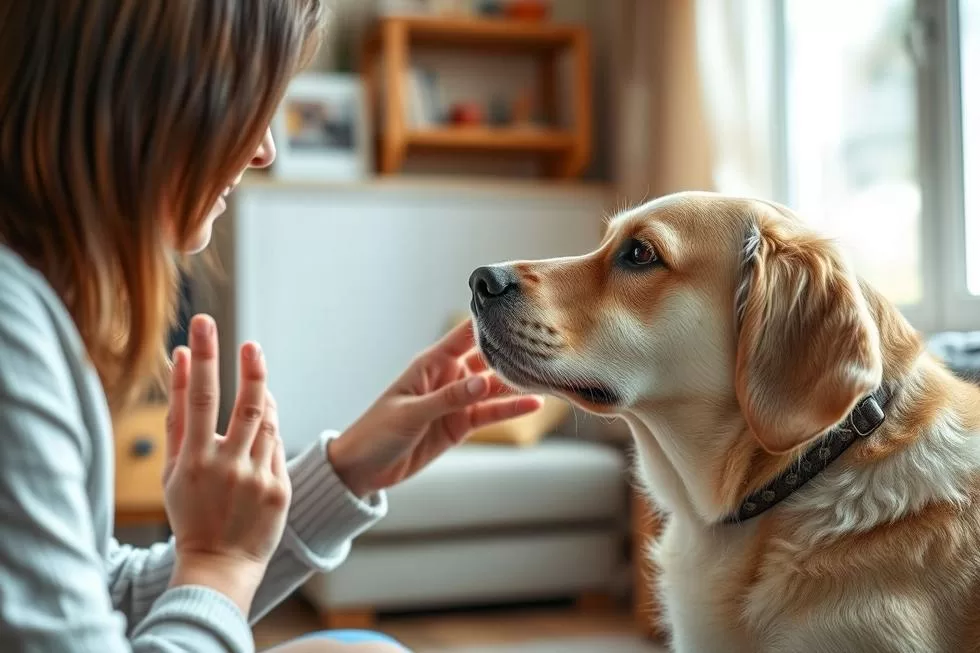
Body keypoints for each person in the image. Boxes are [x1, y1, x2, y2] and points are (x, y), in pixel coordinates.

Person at [0, 2, 543, 652]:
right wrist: (217, 562)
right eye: (249, 106)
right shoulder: (11, 331)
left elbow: (92, 597)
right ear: (152, 95)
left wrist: (343, 473)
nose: (265, 148)